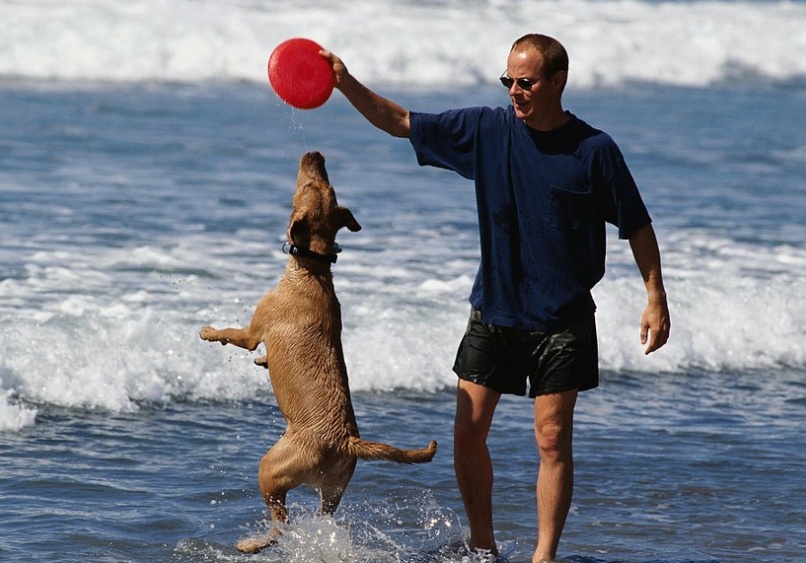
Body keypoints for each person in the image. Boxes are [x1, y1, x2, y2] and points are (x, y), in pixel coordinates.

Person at [320, 33, 670, 563]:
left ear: (557, 81)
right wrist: (345, 83)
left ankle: (543, 556)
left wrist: (656, 297)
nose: (514, 91)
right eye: (507, 80)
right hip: (496, 310)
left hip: (563, 319)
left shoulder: (594, 150)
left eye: (525, 82)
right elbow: (400, 121)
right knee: (468, 432)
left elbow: (638, 225)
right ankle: (482, 546)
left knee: (551, 440)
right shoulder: (487, 130)